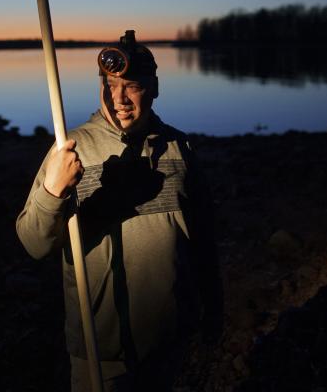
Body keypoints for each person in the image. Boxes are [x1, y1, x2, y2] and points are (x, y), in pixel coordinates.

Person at [16, 30, 223, 391]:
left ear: (154, 88)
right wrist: (54, 190)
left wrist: (213, 306)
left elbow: (203, 238)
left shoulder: (179, 148)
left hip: (168, 339)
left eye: (133, 86)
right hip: (102, 350)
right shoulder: (70, 150)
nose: (120, 99)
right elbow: (34, 244)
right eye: (110, 85)